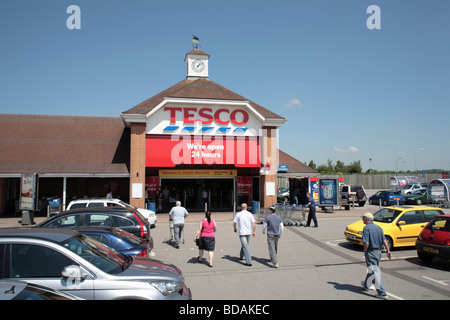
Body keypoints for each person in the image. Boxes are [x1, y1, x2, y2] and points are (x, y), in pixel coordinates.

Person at [361, 212, 392, 300]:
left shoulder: (366, 228)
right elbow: (385, 241)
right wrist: (388, 251)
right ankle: (367, 285)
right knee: (372, 269)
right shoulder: (378, 228)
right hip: (378, 252)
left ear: (367, 219)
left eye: (363, 218)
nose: (362, 219)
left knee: (374, 272)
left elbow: (366, 242)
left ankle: (382, 293)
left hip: (371, 251)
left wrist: (365, 250)